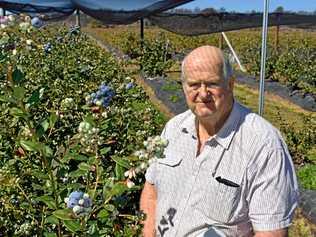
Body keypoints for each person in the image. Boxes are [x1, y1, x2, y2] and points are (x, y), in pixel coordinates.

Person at [140, 45, 299, 237]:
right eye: (193, 85)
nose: (203, 93)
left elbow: (271, 233)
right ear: (183, 86)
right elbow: (152, 189)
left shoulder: (263, 145)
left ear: (230, 84)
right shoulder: (173, 129)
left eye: (212, 84)